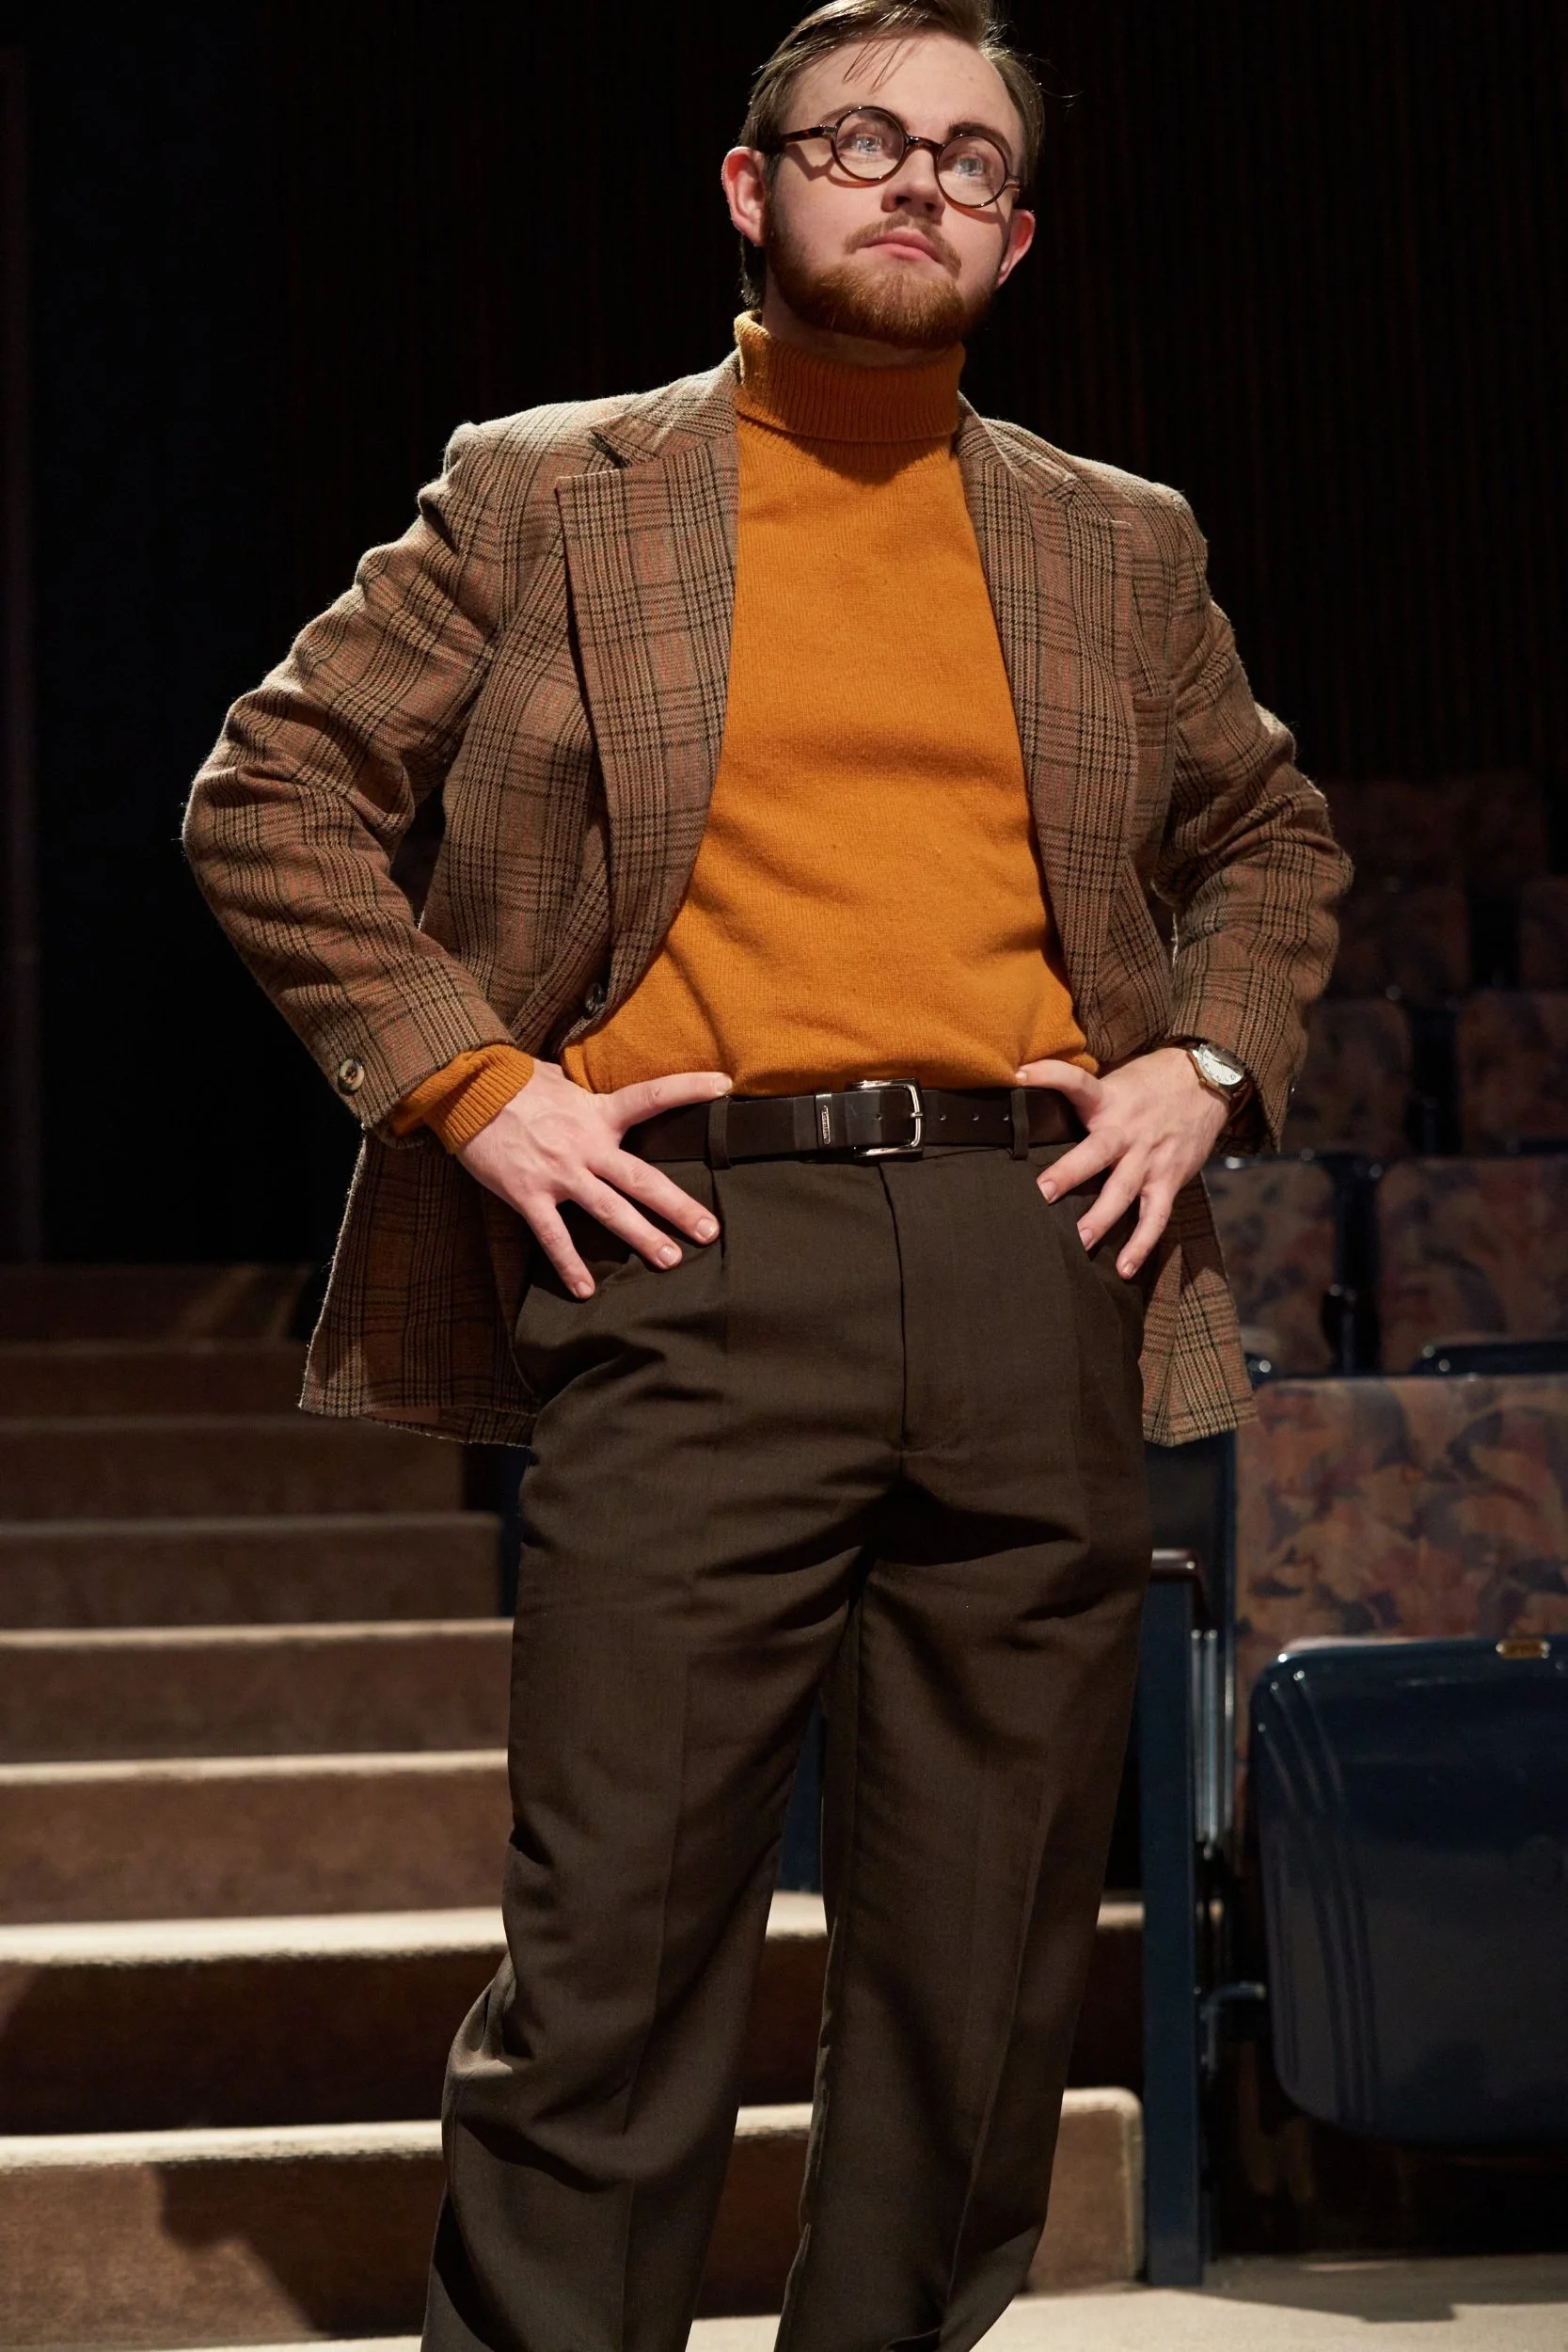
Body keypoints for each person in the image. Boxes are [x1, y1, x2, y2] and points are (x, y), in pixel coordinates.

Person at [184, 3, 1348, 2345]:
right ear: (751, 186)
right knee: (612, 1944)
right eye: (859, 139)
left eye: (965, 160)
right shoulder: (551, 487)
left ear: (1013, 237)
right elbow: (270, 791)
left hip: (1031, 1247)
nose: (912, 180)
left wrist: (1206, 1059)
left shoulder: (1112, 538)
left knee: (979, 1974)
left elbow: (1270, 834)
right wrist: (470, 1084)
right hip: (689, 1247)